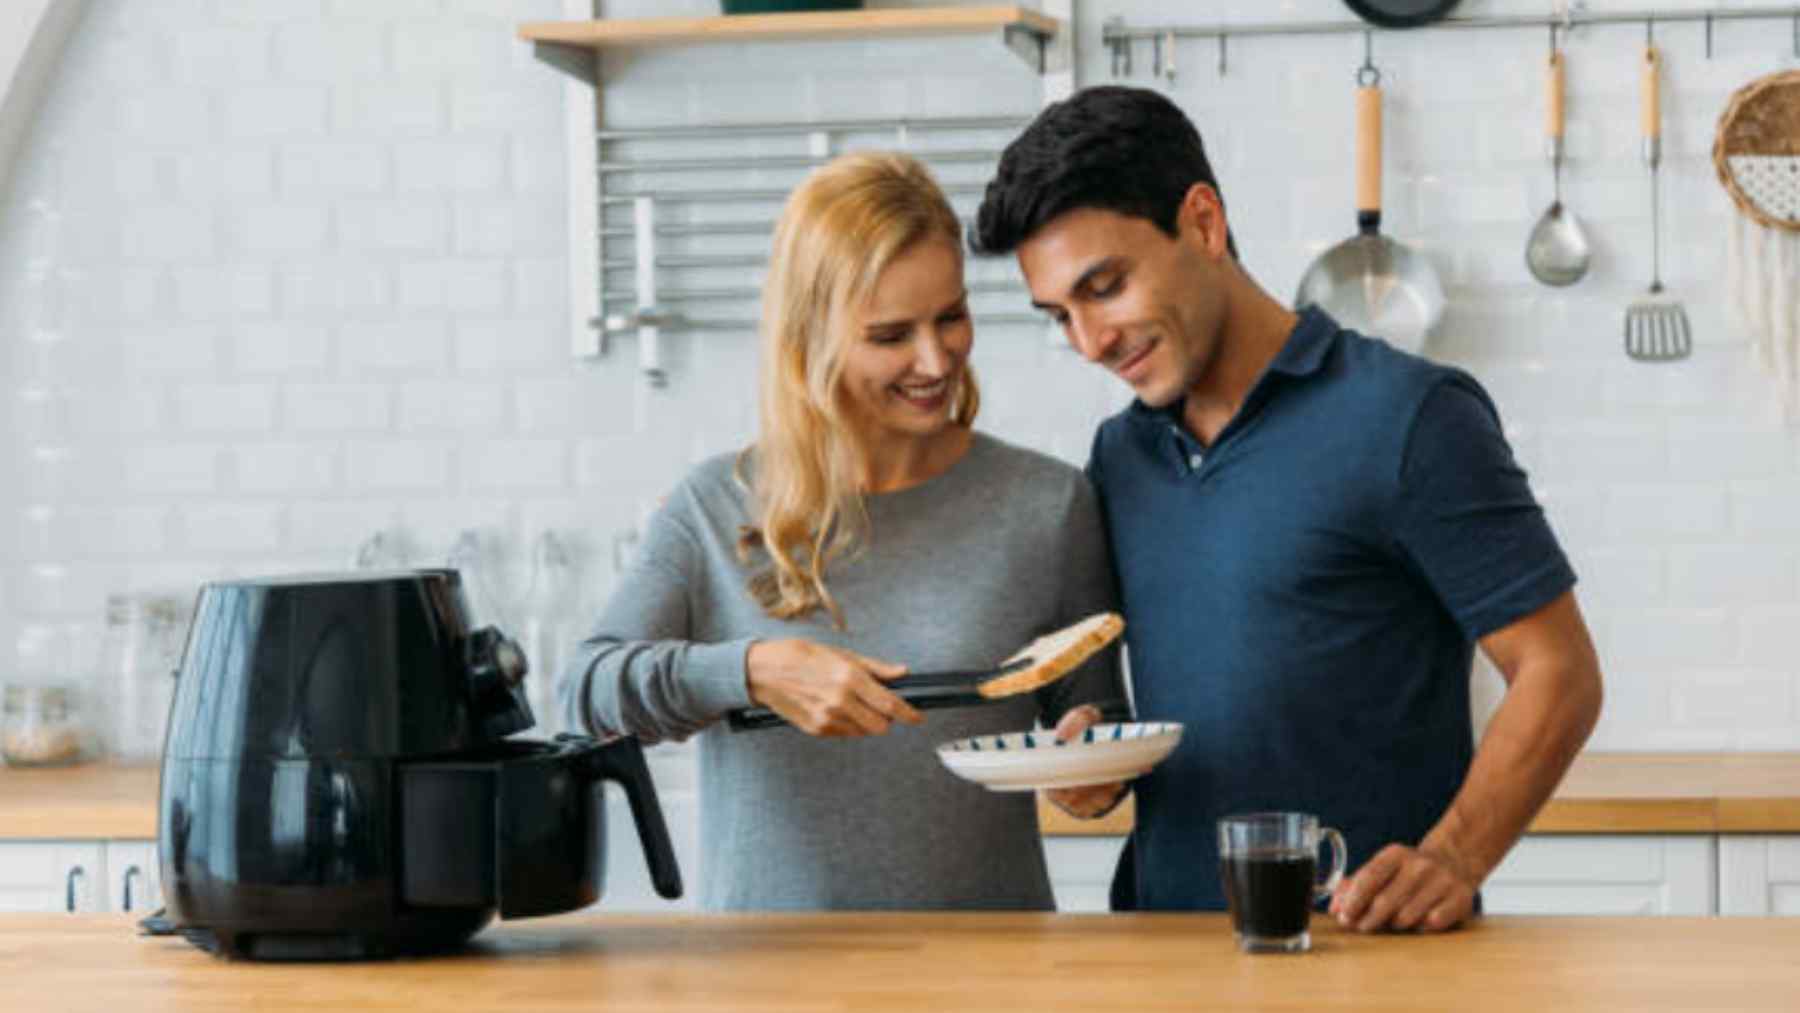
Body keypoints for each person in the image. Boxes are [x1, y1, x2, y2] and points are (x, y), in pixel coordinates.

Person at [971, 86, 1603, 932]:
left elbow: (1558, 671)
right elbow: (1156, 705)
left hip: (1369, 953)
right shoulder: (1120, 458)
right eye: (1061, 315)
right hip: (1164, 950)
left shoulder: (1410, 417)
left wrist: (1454, 856)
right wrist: (1095, 758)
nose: (1090, 341)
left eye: (1106, 287)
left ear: (1202, 222)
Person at [561, 150, 1127, 911]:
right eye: (891, 335)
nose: (935, 359)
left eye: (951, 317)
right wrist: (750, 671)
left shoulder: (1048, 503)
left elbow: (1097, 723)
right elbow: (585, 693)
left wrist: (1094, 766)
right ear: (810, 337)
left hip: (992, 976)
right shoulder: (713, 507)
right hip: (769, 983)